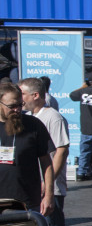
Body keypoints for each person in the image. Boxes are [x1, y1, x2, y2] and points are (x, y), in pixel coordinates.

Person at [20, 78, 69, 226]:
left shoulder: (53, 117)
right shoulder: (30, 118)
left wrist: (47, 182)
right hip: (35, 186)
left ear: (35, 95)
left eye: (22, 94)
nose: (20, 100)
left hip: (51, 187)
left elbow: (61, 150)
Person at [0, 83, 54, 217]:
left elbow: (46, 162)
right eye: (12, 106)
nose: (17, 110)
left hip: (27, 201)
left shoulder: (33, 125)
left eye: (20, 104)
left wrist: (49, 195)